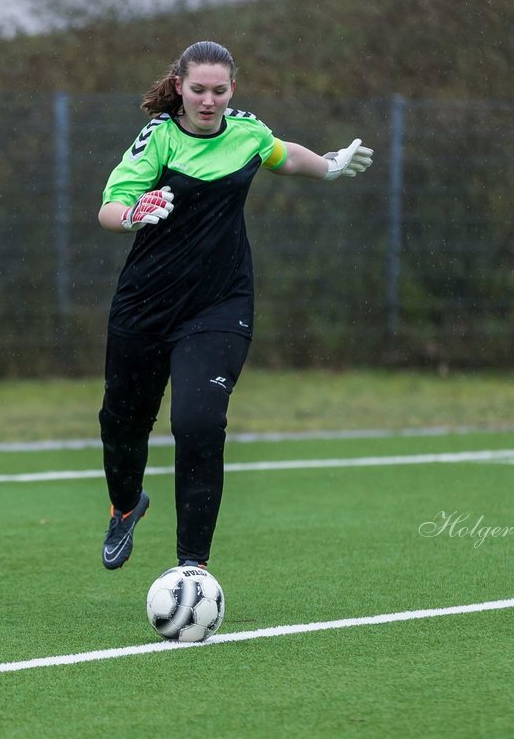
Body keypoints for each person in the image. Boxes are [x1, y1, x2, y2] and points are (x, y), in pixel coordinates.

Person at [97, 40, 373, 572]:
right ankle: (126, 504)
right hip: (145, 305)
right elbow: (108, 208)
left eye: (218, 91)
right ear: (179, 86)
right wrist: (134, 214)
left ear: (232, 90)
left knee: (199, 423)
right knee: (123, 421)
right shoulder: (157, 139)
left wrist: (331, 165)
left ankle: (192, 567)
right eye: (198, 90)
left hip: (219, 306)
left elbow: (284, 154)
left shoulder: (245, 130)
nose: (208, 101)